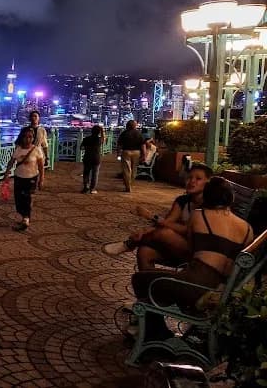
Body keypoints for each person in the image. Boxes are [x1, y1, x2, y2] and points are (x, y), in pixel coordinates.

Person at [129, 177, 253, 341]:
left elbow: (191, 250)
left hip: (196, 284)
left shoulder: (200, 215)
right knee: (160, 278)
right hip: (223, 289)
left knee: (141, 279)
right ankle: (155, 330)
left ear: (207, 197)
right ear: (230, 198)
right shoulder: (246, 228)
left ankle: (155, 333)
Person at [103, 163, 212, 271]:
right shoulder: (182, 201)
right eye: (190, 177)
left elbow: (187, 229)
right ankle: (148, 285)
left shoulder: (210, 204)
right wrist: (147, 230)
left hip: (200, 252)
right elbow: (167, 222)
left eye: (198, 179)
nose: (192, 181)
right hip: (180, 247)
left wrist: (151, 216)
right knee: (144, 252)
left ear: (208, 182)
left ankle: (130, 244)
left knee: (165, 233)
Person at [4, 126, 45, 231]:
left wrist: (41, 179)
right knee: (18, 199)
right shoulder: (18, 149)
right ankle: (24, 217)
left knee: (27, 198)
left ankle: (26, 219)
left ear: (33, 138)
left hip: (31, 178)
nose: (28, 139)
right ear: (22, 137)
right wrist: (7, 173)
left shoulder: (36, 150)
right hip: (19, 177)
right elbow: (11, 162)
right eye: (25, 137)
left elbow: (41, 166)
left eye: (30, 137)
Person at [116, 120, 147, 192]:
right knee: (134, 169)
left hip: (126, 152)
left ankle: (128, 186)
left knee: (126, 170)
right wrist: (144, 155)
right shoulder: (139, 134)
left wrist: (118, 154)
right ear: (135, 126)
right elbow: (143, 145)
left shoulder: (124, 133)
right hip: (136, 152)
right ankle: (131, 183)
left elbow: (119, 145)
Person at [80, 125, 104, 194]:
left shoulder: (86, 139)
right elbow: (103, 138)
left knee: (86, 173)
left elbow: (81, 148)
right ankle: (92, 189)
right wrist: (102, 130)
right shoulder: (99, 140)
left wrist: (87, 148)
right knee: (95, 174)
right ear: (99, 132)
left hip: (87, 157)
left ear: (91, 131)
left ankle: (86, 188)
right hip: (96, 158)